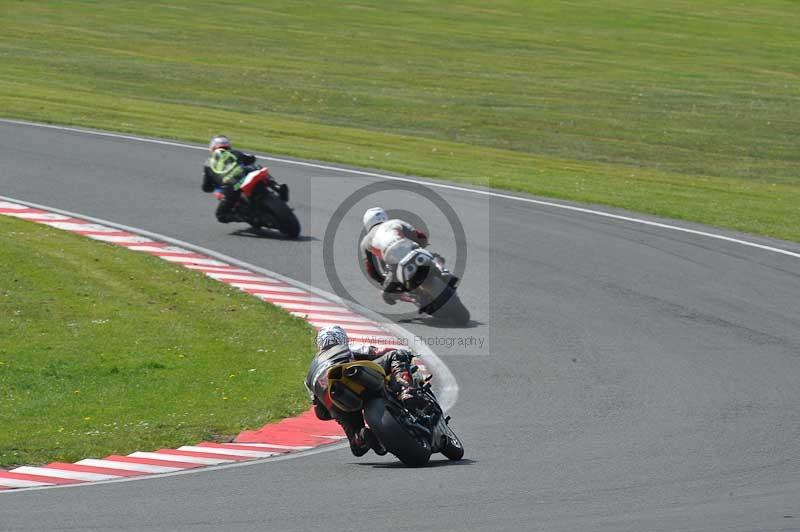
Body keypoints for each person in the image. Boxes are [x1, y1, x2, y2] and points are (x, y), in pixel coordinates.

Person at [306, 325, 426, 457]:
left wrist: (335, 411)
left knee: (357, 448)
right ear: (342, 338)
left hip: (334, 400)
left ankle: (361, 437)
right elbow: (379, 352)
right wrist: (405, 354)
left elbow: (321, 414)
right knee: (396, 355)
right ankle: (406, 389)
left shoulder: (309, 375)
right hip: (353, 376)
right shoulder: (347, 347)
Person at [360, 207, 429, 305]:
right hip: (413, 251)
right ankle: (441, 268)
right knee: (431, 256)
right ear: (384, 216)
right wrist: (422, 244)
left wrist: (382, 281)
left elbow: (371, 269)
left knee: (386, 294)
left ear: (367, 222)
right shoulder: (395, 222)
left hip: (394, 264)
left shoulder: (366, 241)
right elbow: (421, 236)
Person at [201, 135, 258, 223]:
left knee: (221, 215)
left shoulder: (208, 163)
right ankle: (276, 186)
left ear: (212, 147)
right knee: (257, 168)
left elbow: (206, 186)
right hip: (246, 175)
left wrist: (210, 186)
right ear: (228, 145)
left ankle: (246, 218)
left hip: (232, 186)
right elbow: (251, 158)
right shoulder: (235, 152)